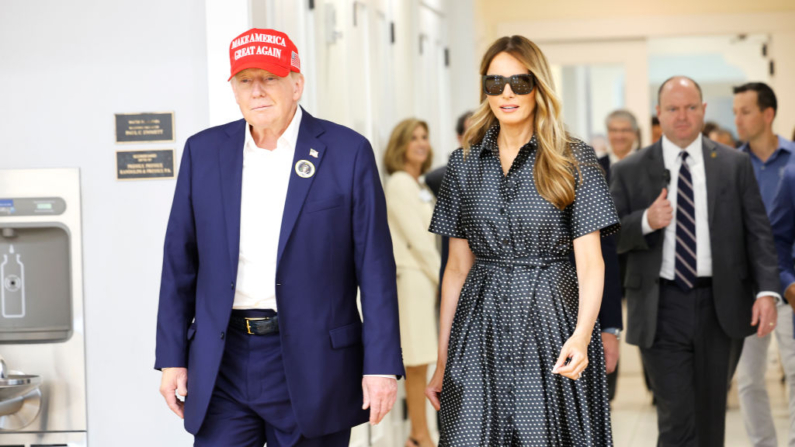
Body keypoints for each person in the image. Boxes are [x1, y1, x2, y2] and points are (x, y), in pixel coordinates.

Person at [154, 28, 404, 446]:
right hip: (223, 361)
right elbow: (179, 262)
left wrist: (381, 365)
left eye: (269, 78)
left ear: (296, 83)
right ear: (232, 90)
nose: (257, 91)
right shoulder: (204, 152)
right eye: (245, 80)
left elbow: (375, 268)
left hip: (313, 362)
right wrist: (171, 358)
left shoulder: (346, 151)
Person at [425, 35, 619, 445]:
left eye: (519, 83)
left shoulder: (574, 159)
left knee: (548, 436)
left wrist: (583, 336)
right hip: (479, 325)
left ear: (539, 86)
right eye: (495, 84)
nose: (507, 94)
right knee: (469, 435)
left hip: (554, 320)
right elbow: (456, 270)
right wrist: (443, 359)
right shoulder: (462, 165)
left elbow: (591, 263)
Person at [610, 76, 780, 447]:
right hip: (662, 307)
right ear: (658, 114)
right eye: (672, 108)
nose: (682, 116)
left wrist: (767, 290)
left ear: (703, 111)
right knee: (676, 416)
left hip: (720, 306)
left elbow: (758, 233)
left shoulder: (734, 164)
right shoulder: (630, 169)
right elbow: (608, 238)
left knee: (709, 415)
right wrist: (645, 221)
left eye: (690, 107)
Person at [733, 81, 795, 447]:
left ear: (768, 115)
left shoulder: (794, 162)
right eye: (736, 111)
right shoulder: (731, 165)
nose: (737, 119)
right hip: (747, 290)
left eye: (745, 111)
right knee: (750, 379)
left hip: (788, 284)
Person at [383, 118, 441, 447]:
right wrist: (444, 279)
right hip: (411, 278)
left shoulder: (418, 184)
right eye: (413, 138)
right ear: (400, 145)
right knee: (416, 361)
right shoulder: (400, 184)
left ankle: (419, 434)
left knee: (421, 360)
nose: (421, 143)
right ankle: (420, 436)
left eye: (425, 137)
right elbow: (418, 241)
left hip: (423, 279)